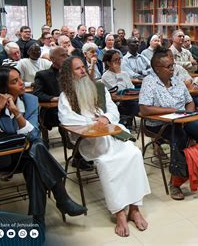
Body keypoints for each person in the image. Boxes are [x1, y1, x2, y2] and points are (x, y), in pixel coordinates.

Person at [0, 66, 86, 226]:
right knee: (38, 148)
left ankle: (38, 220)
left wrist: (16, 113)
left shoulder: (30, 100)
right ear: (3, 88)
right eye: (15, 81)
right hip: (2, 158)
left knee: (36, 157)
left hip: (27, 155)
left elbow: (34, 134)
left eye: (20, 78)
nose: (22, 83)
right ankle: (62, 198)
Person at [58, 56, 151, 237]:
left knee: (134, 154)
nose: (83, 71)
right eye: (77, 69)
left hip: (111, 134)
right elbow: (66, 119)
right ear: (69, 75)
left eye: (83, 67)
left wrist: (106, 118)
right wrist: (93, 122)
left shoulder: (99, 87)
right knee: (108, 162)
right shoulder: (65, 96)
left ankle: (134, 208)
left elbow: (113, 109)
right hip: (89, 140)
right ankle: (119, 213)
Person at [139, 47, 198, 201]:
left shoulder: (177, 80)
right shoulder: (149, 82)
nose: (173, 69)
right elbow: (144, 109)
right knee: (180, 137)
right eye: (169, 66)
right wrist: (171, 111)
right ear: (157, 68)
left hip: (182, 120)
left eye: (173, 65)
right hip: (159, 123)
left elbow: (189, 102)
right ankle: (175, 182)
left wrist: (187, 115)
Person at [101, 50, 138, 129]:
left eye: (119, 59)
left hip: (129, 100)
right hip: (117, 103)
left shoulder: (124, 73)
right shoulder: (106, 76)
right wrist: (118, 74)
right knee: (135, 106)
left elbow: (131, 88)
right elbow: (119, 91)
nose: (118, 62)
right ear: (108, 63)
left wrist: (120, 74)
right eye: (115, 60)